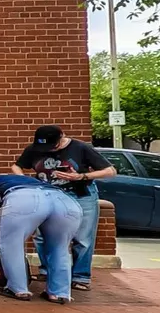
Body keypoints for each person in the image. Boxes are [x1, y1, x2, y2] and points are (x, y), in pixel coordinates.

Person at [11, 125, 116, 291]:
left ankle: (80, 276)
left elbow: (110, 171)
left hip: (80, 194)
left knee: (82, 238)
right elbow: (17, 166)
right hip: (48, 195)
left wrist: (81, 176)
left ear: (62, 137)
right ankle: (47, 270)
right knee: (42, 236)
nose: (48, 150)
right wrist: (25, 180)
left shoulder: (80, 148)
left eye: (52, 146)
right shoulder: (34, 149)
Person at [0, 173, 81, 303]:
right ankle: (59, 293)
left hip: (23, 199)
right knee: (59, 247)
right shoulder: (34, 181)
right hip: (65, 201)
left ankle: (17, 289)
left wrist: (3, 215)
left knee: (12, 245)